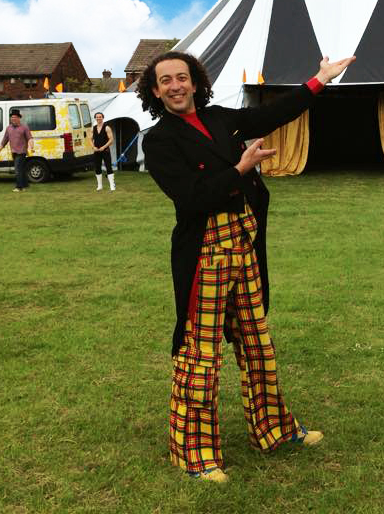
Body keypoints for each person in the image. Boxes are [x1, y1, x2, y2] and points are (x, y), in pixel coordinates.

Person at [139, 51, 354, 483]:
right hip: (204, 255)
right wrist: (241, 168)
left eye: (183, 77)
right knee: (201, 353)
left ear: (196, 83)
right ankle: (194, 452)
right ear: (155, 91)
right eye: (166, 81)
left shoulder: (220, 118)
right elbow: (193, 198)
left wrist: (319, 80)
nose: (176, 86)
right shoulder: (158, 141)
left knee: (258, 344)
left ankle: (273, 430)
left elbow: (274, 113)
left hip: (244, 246)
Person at [0, 109, 33, 192]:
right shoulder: (8, 128)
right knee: (21, 169)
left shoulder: (24, 128)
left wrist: (31, 147)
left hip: (22, 152)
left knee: (17, 169)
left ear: (19, 118)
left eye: (15, 117)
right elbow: (4, 140)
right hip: (14, 152)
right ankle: (25, 185)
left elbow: (30, 138)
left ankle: (19, 187)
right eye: (12, 117)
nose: (13, 119)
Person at [92, 112, 115, 191]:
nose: (98, 118)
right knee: (97, 168)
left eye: (100, 117)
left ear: (103, 118)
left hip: (105, 150)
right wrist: (93, 147)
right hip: (97, 151)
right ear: (95, 118)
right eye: (97, 117)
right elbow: (90, 139)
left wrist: (104, 147)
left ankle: (112, 186)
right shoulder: (94, 128)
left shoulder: (107, 127)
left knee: (108, 167)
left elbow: (111, 139)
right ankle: (100, 186)